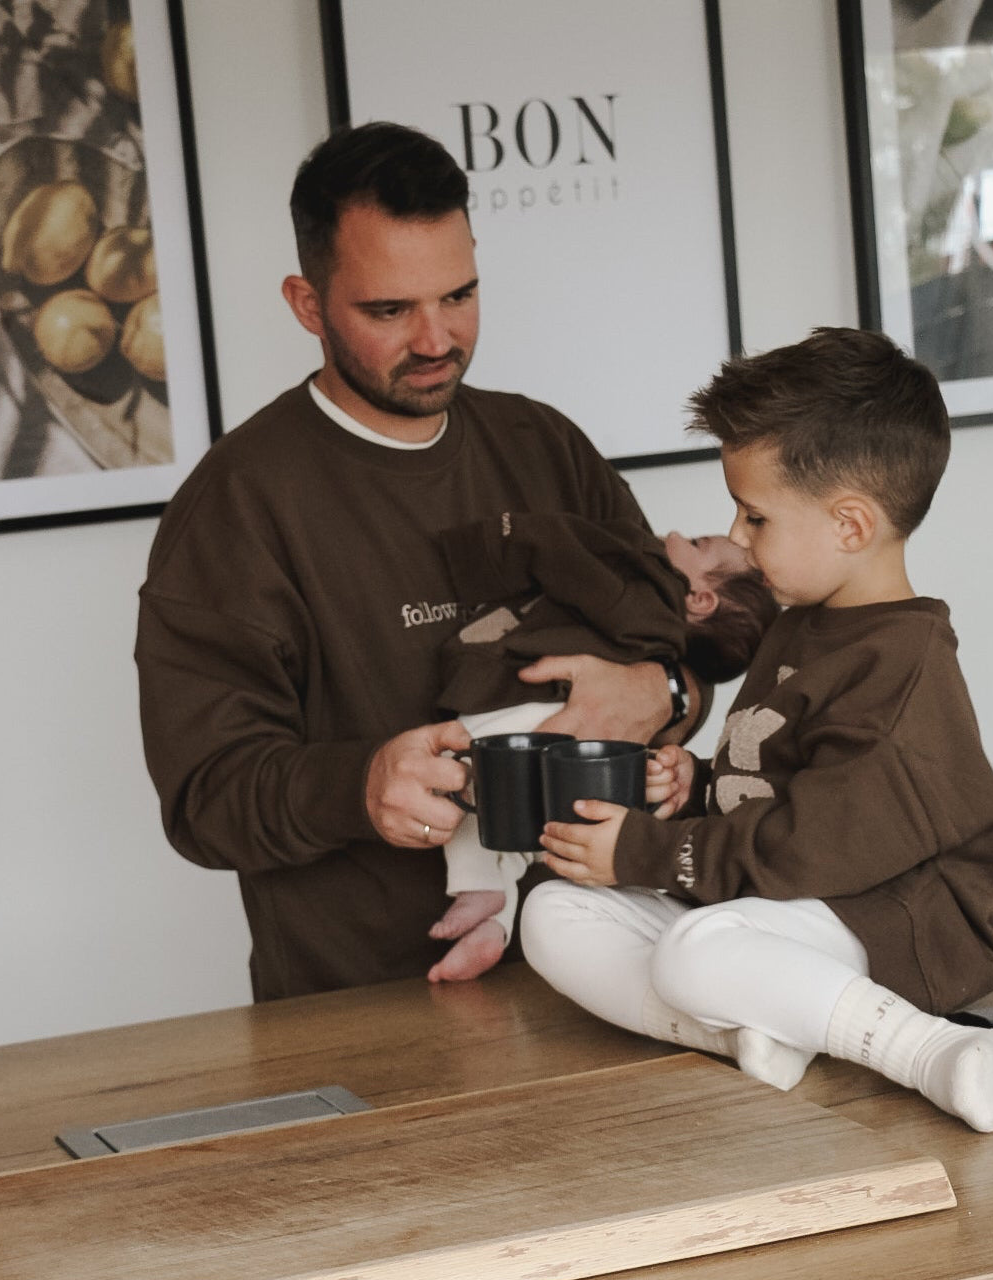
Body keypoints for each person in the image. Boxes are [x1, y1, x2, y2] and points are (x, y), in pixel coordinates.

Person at [134, 121, 705, 1000]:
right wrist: (358, 788)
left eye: (460, 295)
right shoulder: (237, 509)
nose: (437, 339)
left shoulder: (546, 448)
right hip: (366, 1005)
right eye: (390, 310)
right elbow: (204, 800)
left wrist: (666, 694)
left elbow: (684, 652)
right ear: (306, 303)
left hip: (611, 974)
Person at [520, 327, 993, 1132]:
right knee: (550, 916)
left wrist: (649, 850)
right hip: (786, 902)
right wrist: (695, 791)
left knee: (695, 951)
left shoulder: (899, 666)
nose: (740, 538)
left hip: (886, 917)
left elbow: (812, 846)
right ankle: (752, 1031)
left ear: (850, 526)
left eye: (755, 516)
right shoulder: (800, 624)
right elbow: (770, 785)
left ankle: (929, 1050)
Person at [426, 509, 777, 983]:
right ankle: (496, 922)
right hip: (571, 736)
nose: (672, 533)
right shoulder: (662, 639)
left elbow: (571, 564)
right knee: (524, 823)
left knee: (468, 774)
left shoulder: (641, 590)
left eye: (695, 543)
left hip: (542, 712)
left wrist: (501, 538)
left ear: (699, 597)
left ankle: (479, 889)